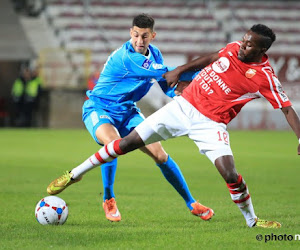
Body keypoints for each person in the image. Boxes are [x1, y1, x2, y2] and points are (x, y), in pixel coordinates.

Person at [48, 24, 300, 228]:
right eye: (244, 39)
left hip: (211, 124)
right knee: (125, 144)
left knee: (230, 174)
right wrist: (180, 70)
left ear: (262, 49)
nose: (243, 45)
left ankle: (252, 221)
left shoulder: (265, 76)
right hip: (182, 107)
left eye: (249, 44)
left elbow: (287, 108)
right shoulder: (233, 48)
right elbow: (211, 58)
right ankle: (75, 174)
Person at [47, 14, 213, 222]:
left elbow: (165, 84)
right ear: (130, 33)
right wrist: (206, 74)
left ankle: (192, 203)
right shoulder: (128, 57)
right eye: (135, 35)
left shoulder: (155, 54)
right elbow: (170, 73)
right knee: (113, 144)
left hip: (128, 111)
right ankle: (108, 198)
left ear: (153, 36)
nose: (139, 41)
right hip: (100, 107)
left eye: (144, 36)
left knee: (160, 155)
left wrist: (178, 93)